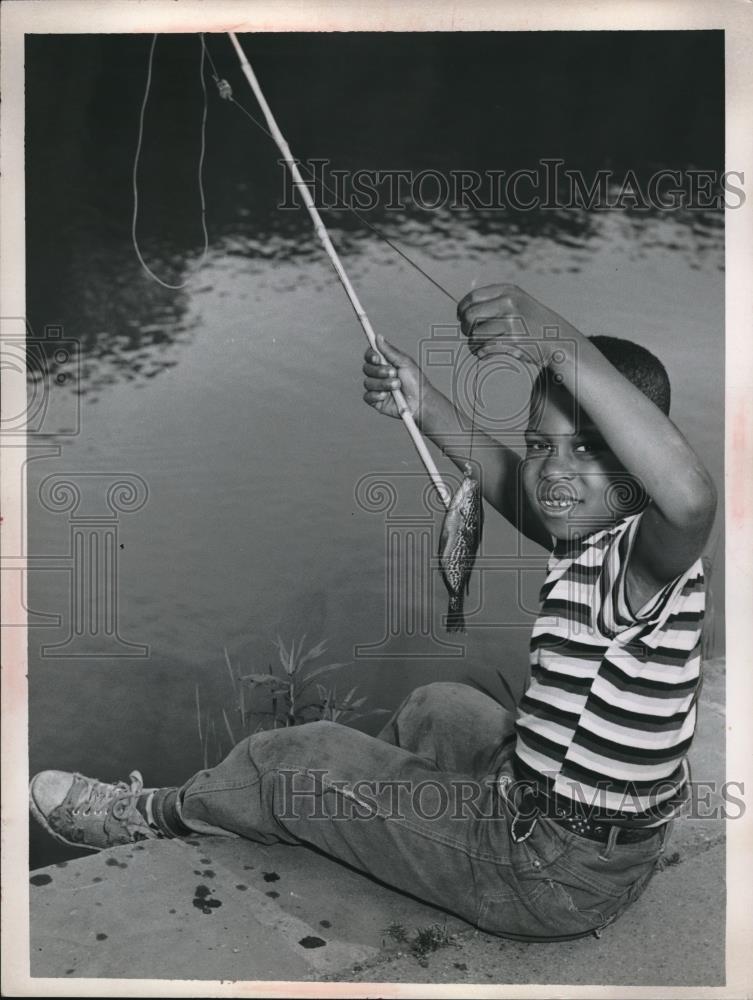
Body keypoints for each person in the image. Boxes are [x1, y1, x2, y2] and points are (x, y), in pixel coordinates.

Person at [29, 284, 716, 940]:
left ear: (640, 467)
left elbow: (689, 498)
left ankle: (150, 816)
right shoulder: (598, 538)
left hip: (543, 872)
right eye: (541, 445)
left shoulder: (648, 560)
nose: (555, 470)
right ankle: (377, 823)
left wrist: (550, 338)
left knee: (289, 759)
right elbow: (512, 489)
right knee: (435, 708)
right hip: (598, 850)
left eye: (590, 450)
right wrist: (425, 404)